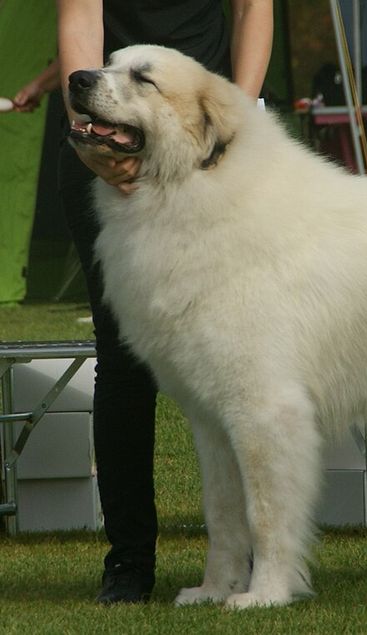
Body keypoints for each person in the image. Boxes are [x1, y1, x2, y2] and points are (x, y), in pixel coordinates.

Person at [10, 0, 273, 604]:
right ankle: (128, 565)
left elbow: (253, 8)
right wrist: (90, 136)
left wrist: (235, 120)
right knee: (124, 360)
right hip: (107, 135)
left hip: (210, 144)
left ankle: (255, 557)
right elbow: (79, 20)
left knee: (245, 366)